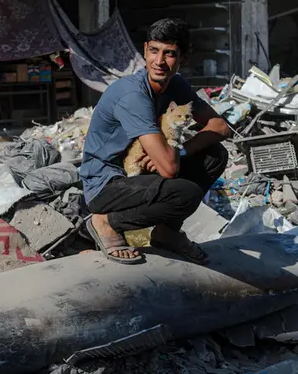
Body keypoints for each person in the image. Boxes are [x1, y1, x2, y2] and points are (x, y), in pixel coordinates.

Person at [80, 18, 231, 264]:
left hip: (139, 176)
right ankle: (106, 222)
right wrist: (169, 157)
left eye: (169, 54)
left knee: (216, 155)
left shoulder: (176, 85)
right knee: (185, 194)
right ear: (145, 50)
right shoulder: (133, 95)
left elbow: (220, 126)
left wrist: (181, 152)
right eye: (154, 51)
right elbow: (169, 170)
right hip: (107, 182)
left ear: (183, 59)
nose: (159, 62)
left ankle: (166, 233)